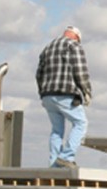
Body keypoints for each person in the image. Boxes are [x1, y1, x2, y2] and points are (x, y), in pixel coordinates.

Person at [36, 26, 92, 169]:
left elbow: (39, 74)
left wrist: (42, 93)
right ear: (76, 37)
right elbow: (80, 71)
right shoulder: (73, 45)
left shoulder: (48, 47)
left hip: (47, 96)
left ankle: (54, 165)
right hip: (65, 93)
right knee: (80, 123)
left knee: (56, 130)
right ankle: (67, 157)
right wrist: (86, 91)